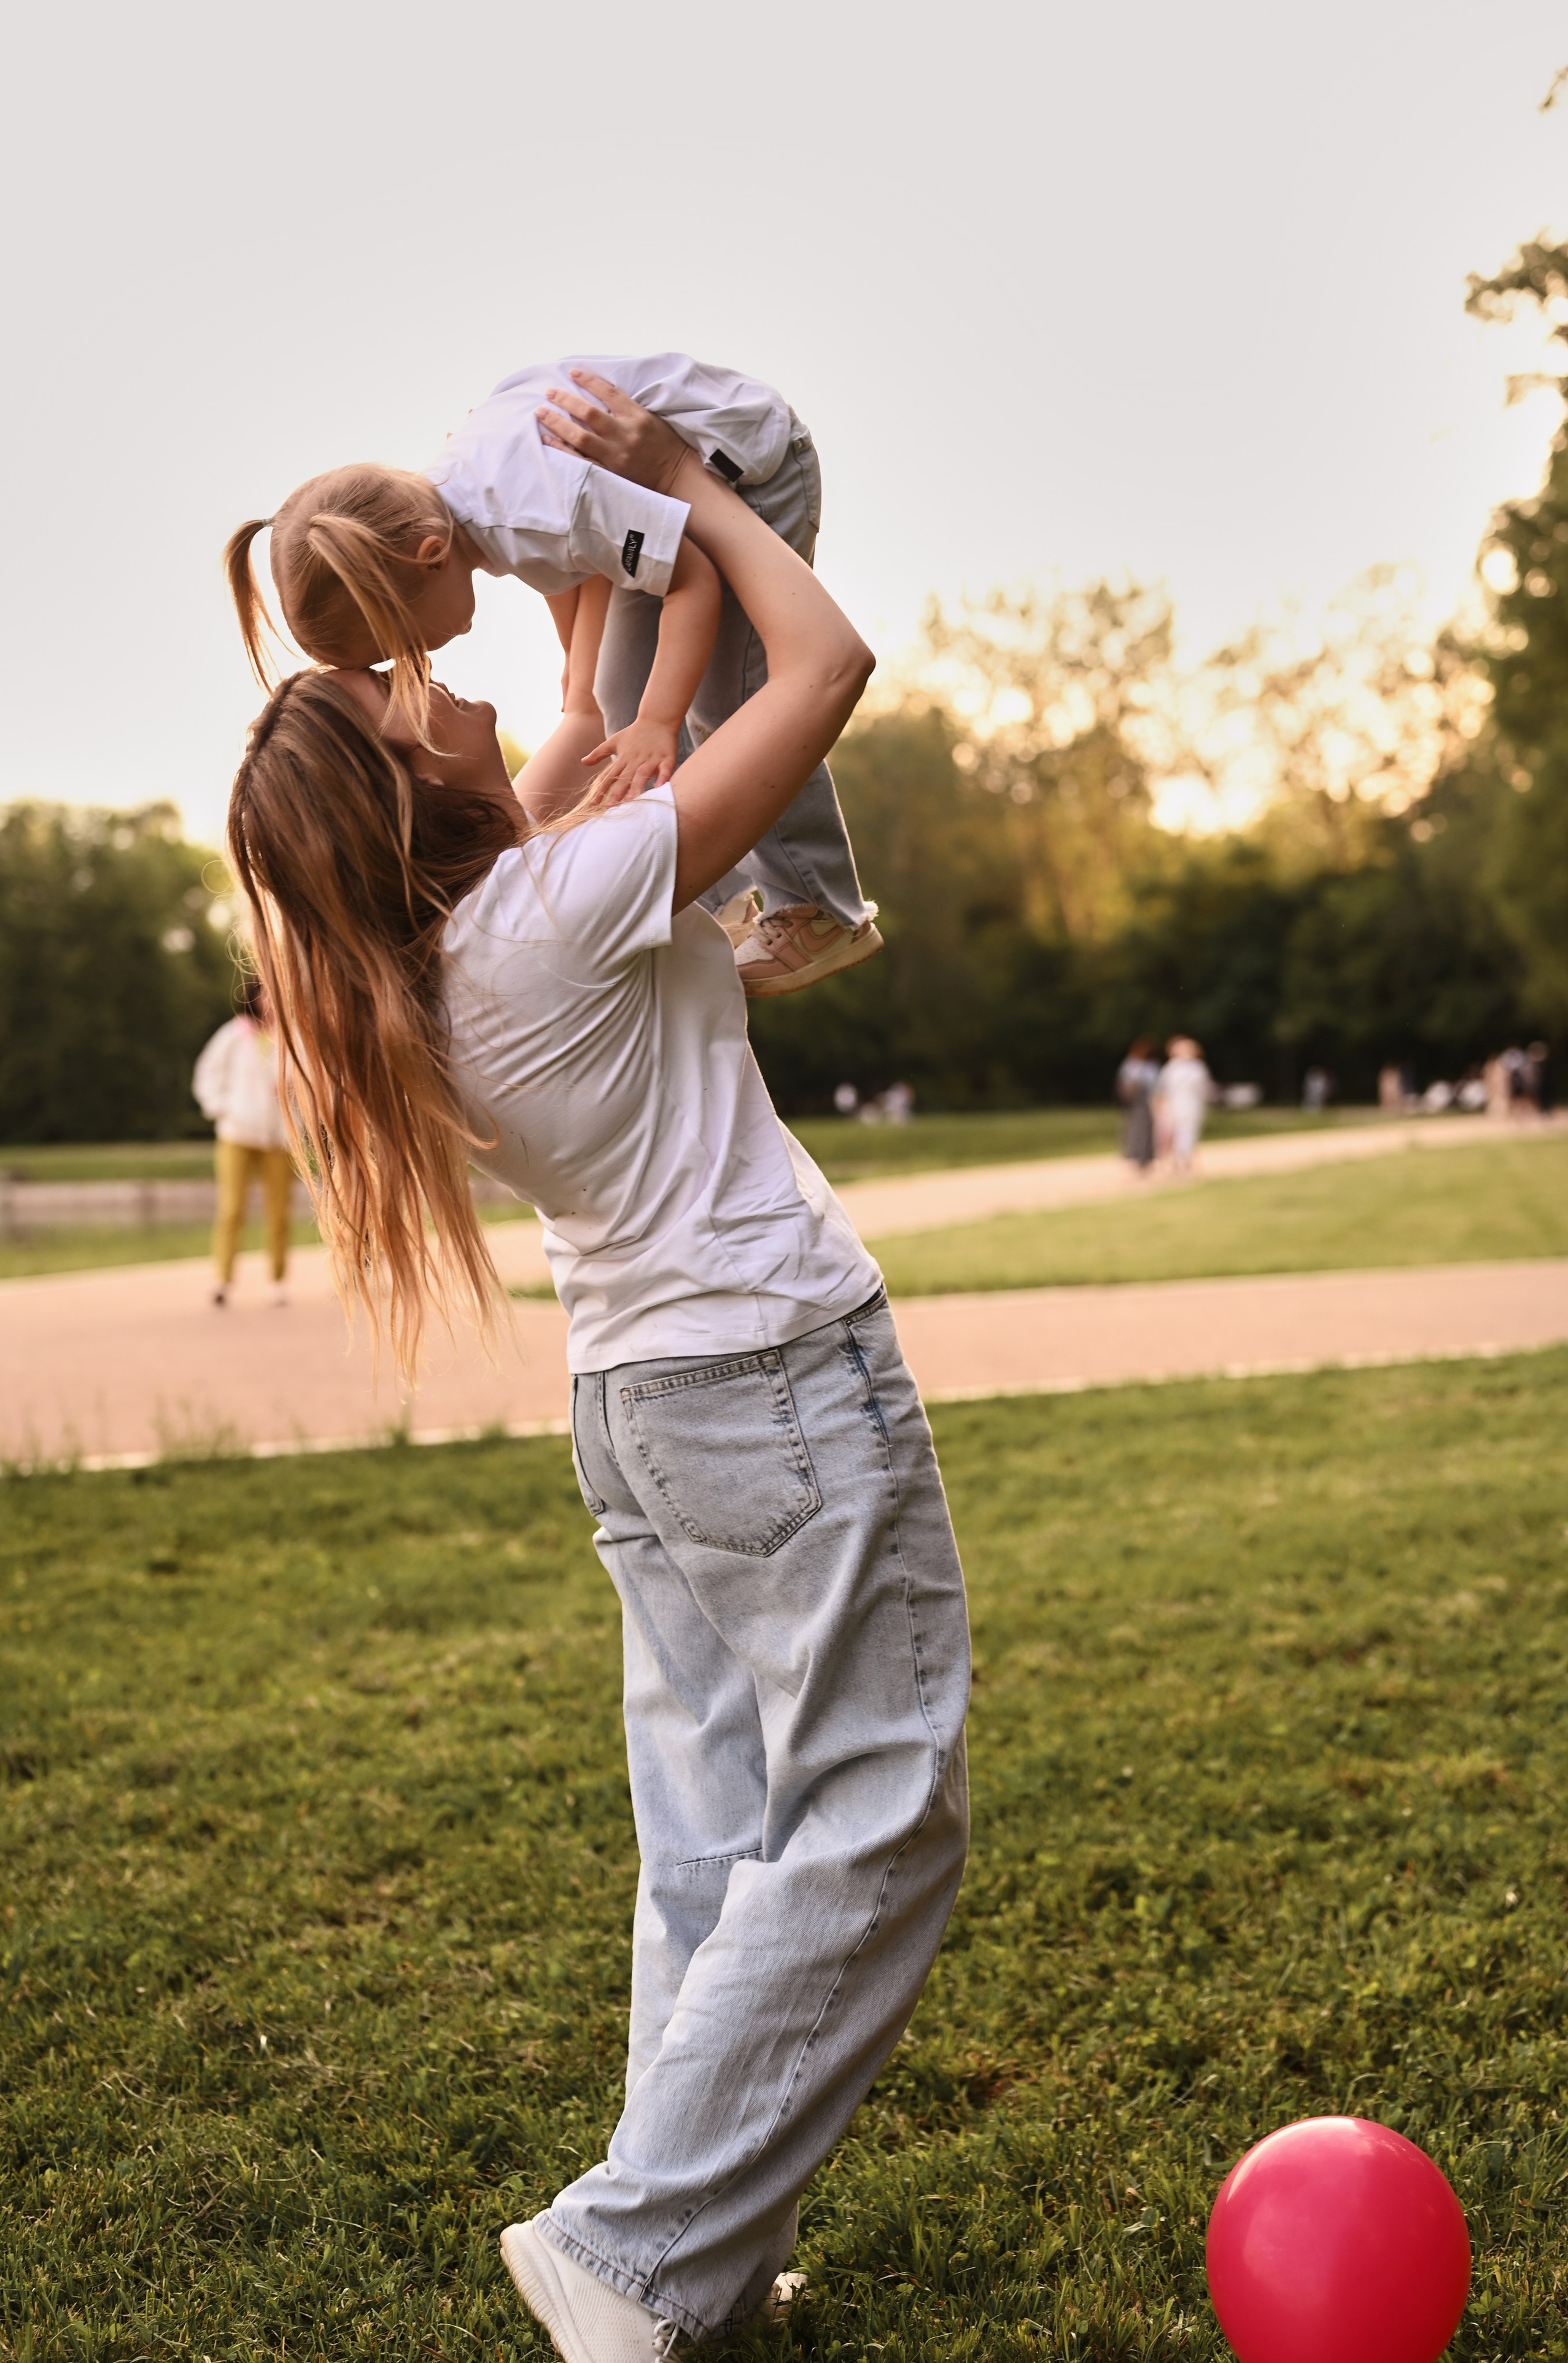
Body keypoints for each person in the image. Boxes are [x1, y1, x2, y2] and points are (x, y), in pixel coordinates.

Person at [224, 407, 970, 2360]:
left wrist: (617, 584)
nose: (433, 682)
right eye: (401, 696)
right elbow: (820, 668)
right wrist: (690, 479)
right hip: (769, 1380)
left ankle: (680, 2270)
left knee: (714, 1836)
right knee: (883, 1808)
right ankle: (635, 2243)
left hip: (641, 1412)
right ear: (409, 801)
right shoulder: (553, 903)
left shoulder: (447, 960)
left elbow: (592, 695)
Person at [223, 355, 882, 1000]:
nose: (419, 665)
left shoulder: (527, 514)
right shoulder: (466, 507)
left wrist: (658, 722)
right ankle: (719, 893)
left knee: (728, 700)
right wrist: (615, 696)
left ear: (432, 558)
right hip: (660, 504)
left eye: (404, 644)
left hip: (749, 467)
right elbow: (581, 564)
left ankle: (819, 908)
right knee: (619, 695)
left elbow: (689, 577)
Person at [191, 975, 292, 1307]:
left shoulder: (291, 1038)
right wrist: (222, 1109)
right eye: (265, 994)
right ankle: (223, 1279)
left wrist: (292, 1092)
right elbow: (206, 1074)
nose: (271, 1001)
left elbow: (306, 1081)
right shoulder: (234, 1035)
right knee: (232, 1209)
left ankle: (277, 1281)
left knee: (278, 1213)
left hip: (276, 1138)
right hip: (237, 1135)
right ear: (254, 997)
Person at [1156, 1035, 1213, 1174]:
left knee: (1185, 1132)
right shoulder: (1185, 1068)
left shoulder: (1178, 1068)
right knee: (1185, 1133)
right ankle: (1182, 1158)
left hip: (1187, 1105)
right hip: (1179, 1106)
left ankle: (1181, 1158)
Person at [1116, 1038, 1159, 1170]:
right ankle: (1136, 1156)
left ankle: (1145, 1157)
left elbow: (1155, 1085)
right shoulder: (1131, 1065)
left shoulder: (1150, 1066)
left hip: (1147, 1102)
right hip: (1134, 1103)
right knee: (1134, 1130)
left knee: (1146, 1130)